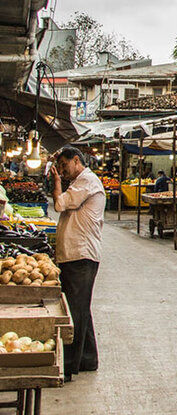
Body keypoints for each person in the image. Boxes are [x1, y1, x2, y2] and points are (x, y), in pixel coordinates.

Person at [48, 146, 105, 382]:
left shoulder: (87, 181)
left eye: (64, 165)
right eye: (59, 167)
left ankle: (69, 364)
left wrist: (56, 180)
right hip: (74, 255)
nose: (62, 170)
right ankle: (88, 358)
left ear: (76, 160)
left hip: (81, 256)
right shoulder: (80, 181)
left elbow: (60, 204)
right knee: (80, 308)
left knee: (75, 311)